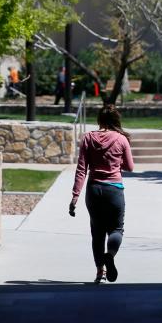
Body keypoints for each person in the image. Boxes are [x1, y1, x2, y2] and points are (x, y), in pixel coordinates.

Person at [69, 104, 134, 283]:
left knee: (97, 233)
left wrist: (75, 196)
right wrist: (116, 163)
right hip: (114, 189)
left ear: (99, 120)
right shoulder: (121, 139)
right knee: (116, 229)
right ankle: (110, 255)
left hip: (93, 190)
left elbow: (81, 169)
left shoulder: (88, 138)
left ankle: (100, 272)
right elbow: (130, 167)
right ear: (115, 120)